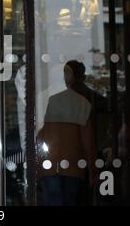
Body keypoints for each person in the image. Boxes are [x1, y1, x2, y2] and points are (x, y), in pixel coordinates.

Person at [37, 61, 97, 206]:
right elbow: (87, 140)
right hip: (72, 165)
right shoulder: (81, 102)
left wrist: (35, 164)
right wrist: (92, 169)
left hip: (50, 165)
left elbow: (38, 135)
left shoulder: (44, 99)